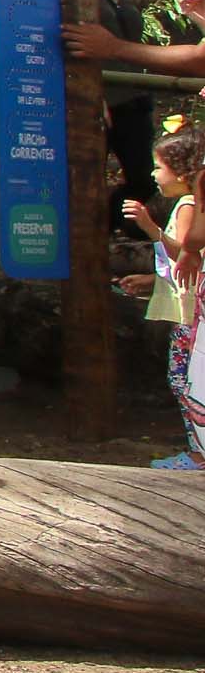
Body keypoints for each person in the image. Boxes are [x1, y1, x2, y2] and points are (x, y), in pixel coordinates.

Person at [118, 123, 204, 470]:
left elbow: (187, 253)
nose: (153, 174)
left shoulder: (188, 205)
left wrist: (151, 228)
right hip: (188, 306)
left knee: (184, 379)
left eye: (159, 167)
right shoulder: (188, 203)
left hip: (191, 314)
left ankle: (198, 454)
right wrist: (150, 281)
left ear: (182, 172)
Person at [68, 0, 159, 227]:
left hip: (135, 96)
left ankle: (119, 233)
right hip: (99, 101)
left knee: (144, 178)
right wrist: (94, 96)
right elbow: (70, 44)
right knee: (88, 178)